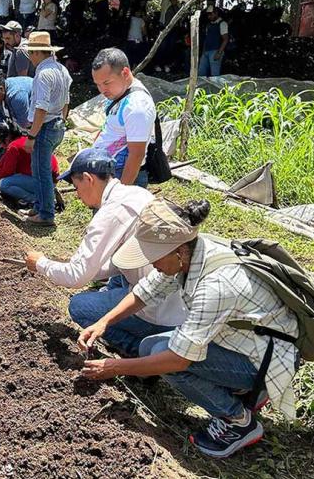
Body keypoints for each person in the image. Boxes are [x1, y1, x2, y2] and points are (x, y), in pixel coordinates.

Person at [79, 198, 300, 459]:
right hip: (244, 342)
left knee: (164, 357)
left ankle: (238, 421)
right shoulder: (193, 251)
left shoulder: (216, 284)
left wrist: (114, 368)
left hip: (266, 359)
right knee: (151, 347)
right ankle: (242, 389)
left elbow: (179, 360)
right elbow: (146, 291)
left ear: (179, 251)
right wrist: (104, 322)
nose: (152, 264)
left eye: (154, 258)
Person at [25, 148, 186, 357]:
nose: (77, 194)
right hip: (176, 300)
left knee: (79, 306)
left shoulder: (111, 213)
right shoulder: (137, 193)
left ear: (87, 178)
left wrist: (41, 263)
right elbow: (119, 263)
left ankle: (142, 352)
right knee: (114, 281)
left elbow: (76, 277)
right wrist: (84, 269)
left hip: (158, 307)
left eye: (76, 187)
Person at [22, 31, 71, 226]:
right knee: (39, 168)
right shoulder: (61, 70)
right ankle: (39, 205)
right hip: (57, 123)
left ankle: (46, 214)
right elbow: (66, 101)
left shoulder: (43, 74)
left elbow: (41, 108)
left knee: (41, 172)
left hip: (46, 126)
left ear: (36, 53)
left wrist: (31, 135)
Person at [90, 47, 156, 187]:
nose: (102, 90)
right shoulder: (119, 94)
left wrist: (121, 193)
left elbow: (136, 155)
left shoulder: (137, 106)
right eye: (98, 85)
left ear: (125, 72)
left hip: (121, 176)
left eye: (106, 83)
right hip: (108, 171)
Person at [0, 120, 59, 207]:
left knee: (4, 184)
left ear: (6, 139)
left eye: (0, 143)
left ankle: (38, 199)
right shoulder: (21, 140)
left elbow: (7, 172)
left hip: (46, 181)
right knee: (11, 178)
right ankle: (46, 194)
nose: (1, 146)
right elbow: (3, 161)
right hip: (51, 178)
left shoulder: (13, 147)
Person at [199, 6, 229, 77]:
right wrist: (203, 52)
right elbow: (206, 39)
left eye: (211, 14)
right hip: (206, 51)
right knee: (201, 73)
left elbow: (225, 39)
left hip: (215, 51)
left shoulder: (222, 23)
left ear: (216, 13)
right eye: (208, 15)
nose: (209, 16)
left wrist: (219, 52)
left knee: (214, 74)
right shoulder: (209, 25)